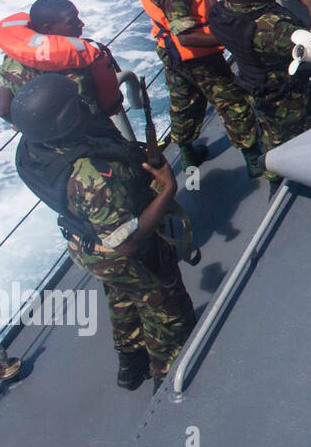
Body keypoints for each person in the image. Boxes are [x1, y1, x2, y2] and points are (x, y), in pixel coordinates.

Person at [12, 74, 196, 390]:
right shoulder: (92, 179)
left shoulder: (33, 147)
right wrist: (167, 188)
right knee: (168, 311)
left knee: (122, 296)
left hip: (85, 243)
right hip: (119, 251)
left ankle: (131, 365)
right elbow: (129, 244)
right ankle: (168, 381)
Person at [130, 0, 263, 175]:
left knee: (184, 102)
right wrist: (227, 39)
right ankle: (254, 158)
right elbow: (187, 37)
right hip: (196, 58)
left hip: (168, 51)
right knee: (233, 101)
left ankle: (187, 153)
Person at [208, 0, 311, 183]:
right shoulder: (273, 29)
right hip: (286, 95)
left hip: (255, 85)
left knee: (272, 135)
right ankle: (289, 178)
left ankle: (272, 173)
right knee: (301, 136)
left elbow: (256, 4)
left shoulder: (221, 12)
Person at [0, 0, 122, 124]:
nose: (81, 23)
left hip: (37, 138)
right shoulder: (82, 64)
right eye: (72, 21)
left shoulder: (12, 60)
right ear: (47, 29)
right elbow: (103, 106)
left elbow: (4, 111)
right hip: (86, 138)